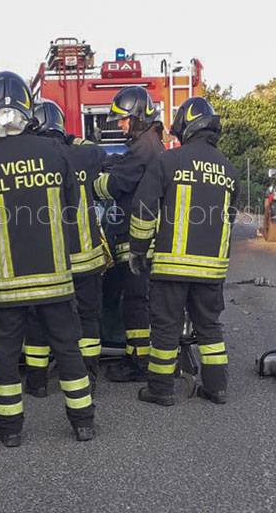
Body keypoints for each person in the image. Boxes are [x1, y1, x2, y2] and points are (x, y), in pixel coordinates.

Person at [0, 71, 96, 447]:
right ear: (26, 108)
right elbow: (71, 206)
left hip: (4, 287)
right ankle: (83, 422)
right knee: (68, 350)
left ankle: (11, 431)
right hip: (54, 280)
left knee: (4, 357)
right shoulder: (55, 153)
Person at [129, 96, 239, 406]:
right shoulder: (229, 170)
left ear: (186, 127)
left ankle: (161, 390)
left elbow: (144, 210)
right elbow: (229, 220)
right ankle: (217, 389)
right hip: (211, 270)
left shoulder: (168, 161)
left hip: (170, 267)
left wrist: (138, 251)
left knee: (166, 329)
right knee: (209, 328)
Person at [22, 100, 107, 396]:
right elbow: (100, 151)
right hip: (85, 258)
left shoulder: (33, 163)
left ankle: (37, 382)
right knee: (87, 318)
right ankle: (89, 378)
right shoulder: (82, 155)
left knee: (37, 318)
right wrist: (73, 138)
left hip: (49, 262)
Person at [93, 86, 165, 382]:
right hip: (139, 238)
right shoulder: (146, 145)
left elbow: (114, 186)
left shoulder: (145, 149)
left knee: (136, 301)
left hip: (140, 242)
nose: (120, 125)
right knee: (134, 300)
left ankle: (140, 364)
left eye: (123, 120)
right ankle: (136, 356)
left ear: (137, 116)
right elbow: (124, 168)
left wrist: (90, 184)